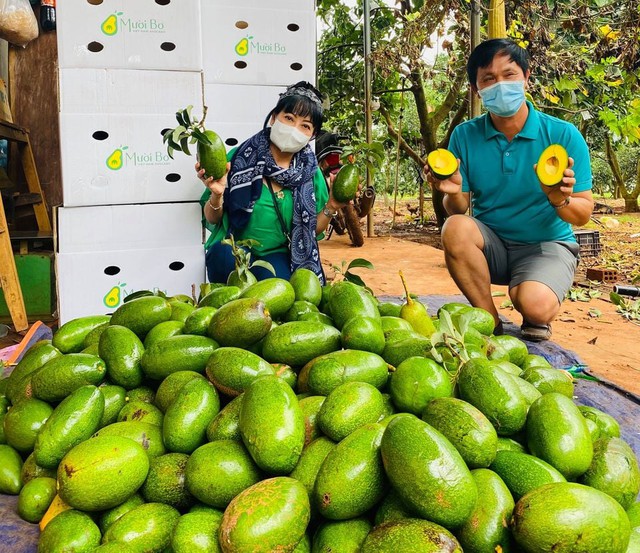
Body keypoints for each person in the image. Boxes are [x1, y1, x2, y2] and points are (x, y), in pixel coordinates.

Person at [424, 39, 594, 341]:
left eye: (509, 74)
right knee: (454, 227)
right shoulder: (465, 135)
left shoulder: (562, 135)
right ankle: (489, 318)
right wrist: (451, 191)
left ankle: (534, 300)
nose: (499, 84)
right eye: (488, 78)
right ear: (477, 90)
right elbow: (459, 210)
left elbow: (582, 214)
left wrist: (559, 198)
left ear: (527, 78)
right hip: (493, 246)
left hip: (545, 244)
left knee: (535, 305)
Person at [197, 81, 346, 285]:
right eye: (289, 118)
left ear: (312, 135)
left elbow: (312, 230)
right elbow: (212, 218)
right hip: (235, 248)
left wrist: (332, 206)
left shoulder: (311, 174)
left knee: (281, 290)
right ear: (274, 117)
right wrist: (217, 194)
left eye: (305, 125)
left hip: (277, 255)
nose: (294, 129)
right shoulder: (239, 158)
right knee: (222, 255)